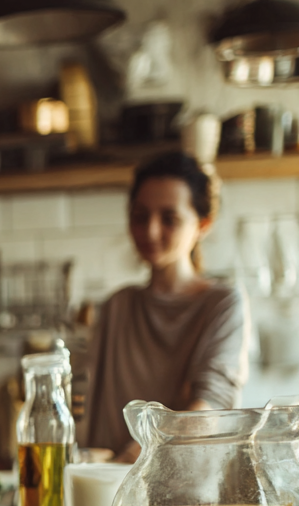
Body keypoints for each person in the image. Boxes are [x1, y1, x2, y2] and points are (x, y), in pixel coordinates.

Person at [85, 151, 249, 462]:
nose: (150, 231)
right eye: (140, 216)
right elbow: (92, 415)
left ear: (203, 224)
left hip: (187, 495)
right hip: (113, 488)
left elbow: (210, 406)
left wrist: (133, 459)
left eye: (169, 219)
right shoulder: (117, 306)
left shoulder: (223, 304)